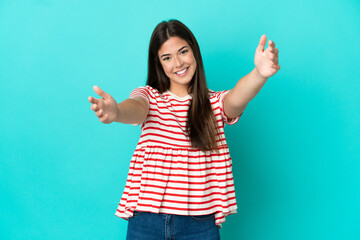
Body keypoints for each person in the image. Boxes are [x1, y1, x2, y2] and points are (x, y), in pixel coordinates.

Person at [88, 19, 280, 240]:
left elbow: (237, 97)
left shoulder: (213, 104)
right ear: (158, 63)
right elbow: (136, 108)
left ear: (194, 51)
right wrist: (117, 112)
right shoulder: (150, 97)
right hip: (146, 220)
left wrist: (259, 73)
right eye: (167, 58)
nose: (178, 63)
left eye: (183, 52)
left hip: (199, 224)